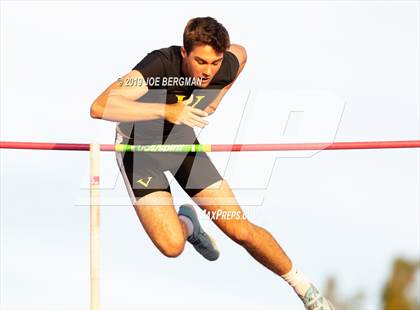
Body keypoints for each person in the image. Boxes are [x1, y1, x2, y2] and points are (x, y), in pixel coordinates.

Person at [90, 16, 334, 310]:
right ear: (184, 53)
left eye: (215, 63)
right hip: (138, 153)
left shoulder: (222, 66)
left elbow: (241, 53)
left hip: (179, 144)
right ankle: (188, 226)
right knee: (172, 246)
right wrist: (167, 110)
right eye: (201, 62)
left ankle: (307, 291)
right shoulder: (158, 65)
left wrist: (217, 95)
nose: (207, 72)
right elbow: (100, 106)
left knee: (239, 229)